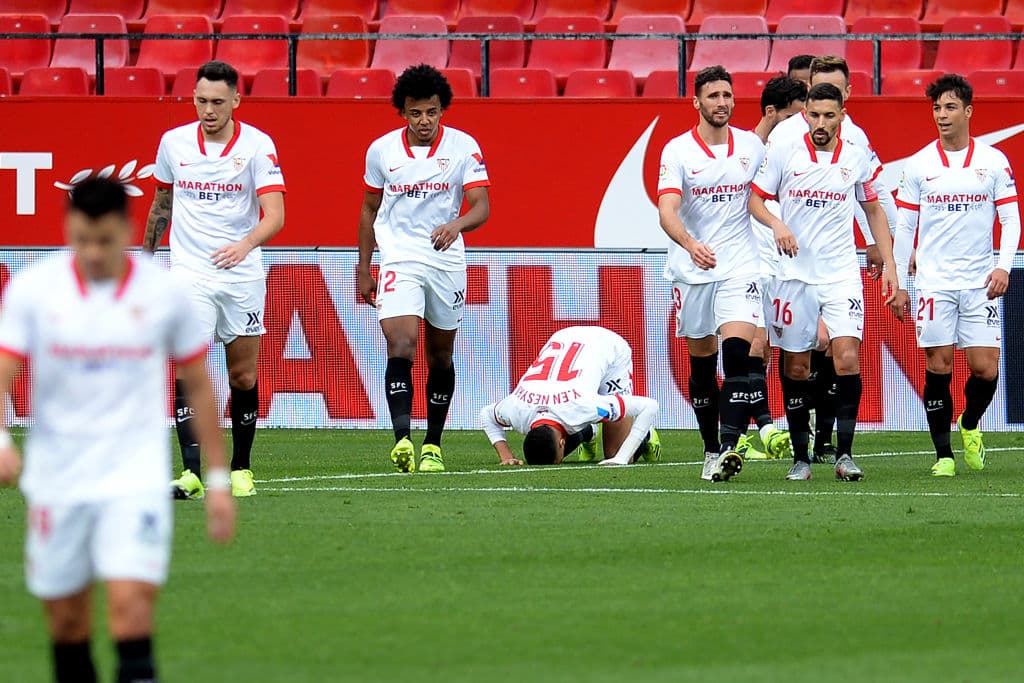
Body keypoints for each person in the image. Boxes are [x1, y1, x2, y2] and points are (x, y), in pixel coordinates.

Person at [0, 178, 235, 683]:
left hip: (134, 478)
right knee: (68, 622)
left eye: (104, 240)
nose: (93, 252)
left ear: (126, 231)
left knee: (131, 610)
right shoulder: (34, 290)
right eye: (82, 239)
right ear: (68, 229)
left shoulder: (165, 294)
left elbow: (199, 387)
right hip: (58, 480)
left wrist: (217, 481)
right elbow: (3, 370)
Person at [143, 60, 286, 499]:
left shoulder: (258, 146)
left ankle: (241, 467)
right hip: (190, 273)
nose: (209, 110)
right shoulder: (173, 143)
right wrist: (145, 260)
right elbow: (161, 203)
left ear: (236, 100)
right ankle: (190, 472)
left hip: (241, 275)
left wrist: (245, 245)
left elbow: (276, 215)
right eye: (202, 101)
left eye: (218, 102)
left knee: (242, 374)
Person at [748, 82, 902, 481]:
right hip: (793, 275)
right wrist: (778, 224)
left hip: (840, 274)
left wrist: (891, 264)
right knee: (797, 366)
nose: (820, 123)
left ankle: (845, 455)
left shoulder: (855, 155)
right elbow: (754, 199)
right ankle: (801, 458)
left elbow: (873, 209)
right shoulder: (785, 149)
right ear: (806, 115)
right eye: (814, 115)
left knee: (846, 357)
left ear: (841, 116)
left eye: (829, 116)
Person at [657, 66, 791, 482]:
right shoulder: (678, 151)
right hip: (693, 270)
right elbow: (667, 211)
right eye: (713, 95)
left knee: (737, 356)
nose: (721, 102)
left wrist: (777, 224)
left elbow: (763, 195)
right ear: (697, 102)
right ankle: (710, 448)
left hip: (740, 266)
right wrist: (690, 243)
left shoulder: (751, 146)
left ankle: (729, 447)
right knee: (702, 366)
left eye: (727, 95)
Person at [358, 64, 490, 473]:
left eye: (431, 112)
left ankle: (433, 443)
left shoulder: (463, 147)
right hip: (399, 257)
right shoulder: (382, 151)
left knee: (440, 355)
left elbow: (481, 206)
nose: (424, 121)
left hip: (445, 259)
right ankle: (402, 439)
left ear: (441, 110)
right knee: (401, 344)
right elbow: (369, 209)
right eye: (415, 113)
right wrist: (363, 266)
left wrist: (457, 224)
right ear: (403, 112)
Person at [893, 74, 1020, 476]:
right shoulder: (919, 164)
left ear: (968, 111)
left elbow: (1011, 219)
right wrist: (898, 282)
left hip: (980, 282)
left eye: (950, 107)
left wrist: (1003, 265)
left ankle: (969, 423)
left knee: (985, 368)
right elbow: (905, 227)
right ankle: (943, 455)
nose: (942, 115)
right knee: (939, 364)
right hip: (934, 282)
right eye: (936, 108)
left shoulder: (993, 161)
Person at [741, 75, 808, 462]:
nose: (804, 124)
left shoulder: (796, 151)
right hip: (750, 262)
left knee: (773, 351)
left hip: (783, 264)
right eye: (794, 116)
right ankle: (763, 429)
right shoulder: (746, 153)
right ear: (771, 112)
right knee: (752, 345)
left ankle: (745, 433)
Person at [480, 326, 660, 466]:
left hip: (608, 347)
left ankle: (647, 435)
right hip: (564, 337)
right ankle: (590, 431)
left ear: (562, 442)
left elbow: (650, 406)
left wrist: (621, 458)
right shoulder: (516, 409)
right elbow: (487, 414)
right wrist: (507, 457)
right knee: (547, 448)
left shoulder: (584, 407)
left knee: (615, 452)